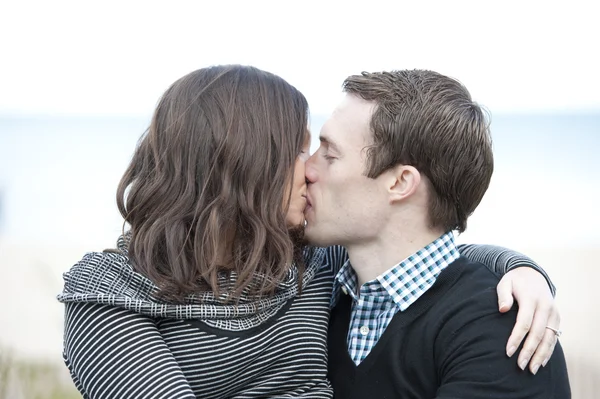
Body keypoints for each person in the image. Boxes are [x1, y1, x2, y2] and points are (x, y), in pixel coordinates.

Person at [58, 65, 559, 399]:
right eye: (300, 151)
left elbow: (436, 256)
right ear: (241, 167)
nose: (311, 170)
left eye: (325, 151)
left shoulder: (312, 265)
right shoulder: (109, 295)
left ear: (401, 182)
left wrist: (518, 267)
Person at [308, 69, 571, 398]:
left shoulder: (500, 332)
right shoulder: (318, 291)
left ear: (401, 183)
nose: (307, 168)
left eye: (330, 156)